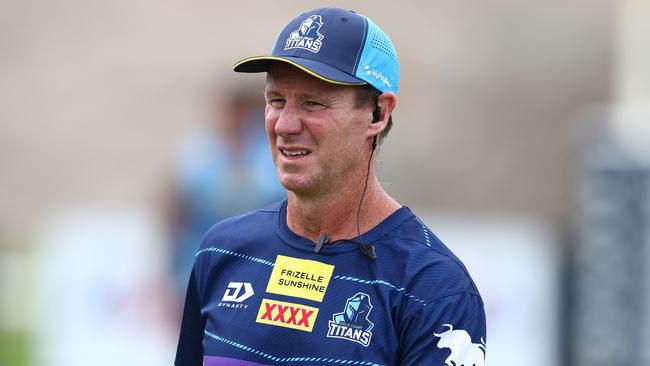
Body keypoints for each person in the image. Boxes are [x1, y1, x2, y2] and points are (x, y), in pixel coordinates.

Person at [175, 7, 486, 366]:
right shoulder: (222, 251)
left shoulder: (433, 287)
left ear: (378, 114)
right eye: (276, 101)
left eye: (313, 102)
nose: (285, 125)